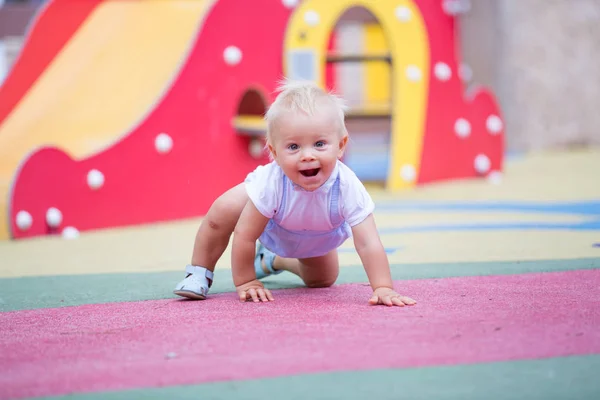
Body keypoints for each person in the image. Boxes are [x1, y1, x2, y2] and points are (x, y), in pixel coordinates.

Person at [174, 80, 416, 307]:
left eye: (320, 144)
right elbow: (245, 235)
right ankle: (199, 272)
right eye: (293, 147)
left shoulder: (347, 185)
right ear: (274, 152)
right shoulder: (272, 182)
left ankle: (272, 261)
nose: (307, 155)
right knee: (223, 210)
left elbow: (368, 241)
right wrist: (246, 280)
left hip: (315, 234)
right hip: (270, 219)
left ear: (341, 145)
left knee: (322, 280)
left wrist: (383, 287)